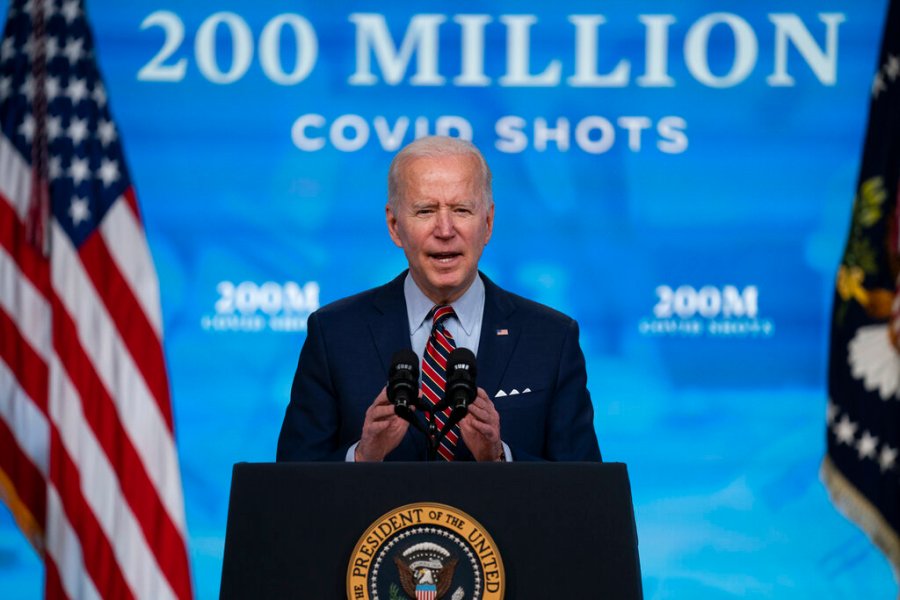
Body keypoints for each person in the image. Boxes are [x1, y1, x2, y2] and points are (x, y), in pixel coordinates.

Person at [276, 136, 601, 462]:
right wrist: (362, 458)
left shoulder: (551, 338)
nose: (445, 230)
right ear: (394, 225)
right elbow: (289, 490)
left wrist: (499, 459)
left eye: (461, 210)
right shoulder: (335, 334)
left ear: (487, 223)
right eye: (425, 210)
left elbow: (587, 494)